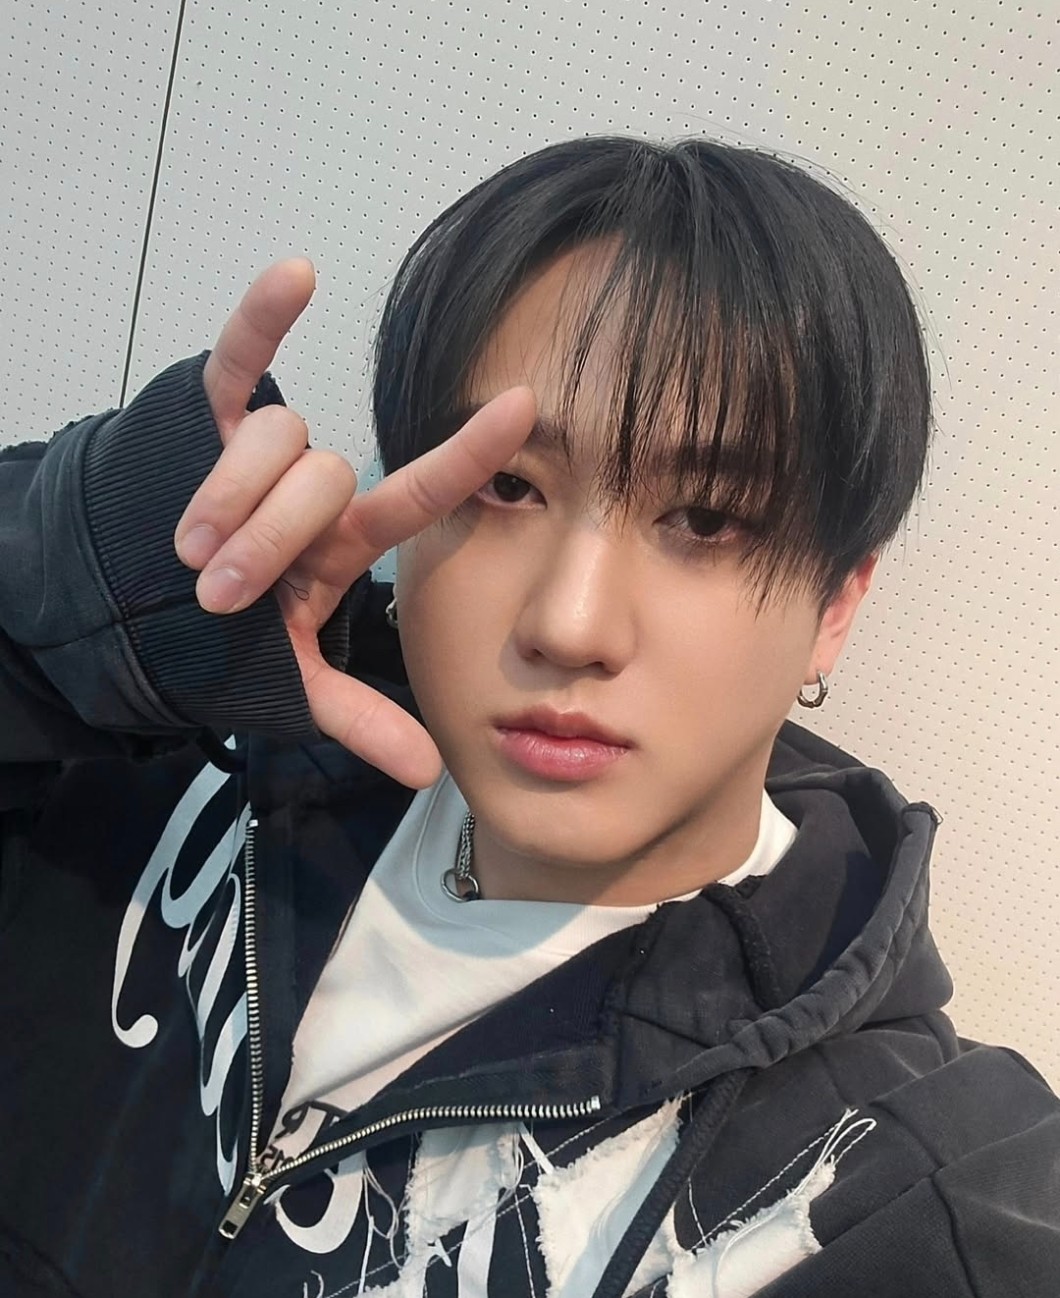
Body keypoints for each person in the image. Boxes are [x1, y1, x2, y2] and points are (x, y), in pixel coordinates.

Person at [0, 136, 1057, 1298]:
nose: (569, 622)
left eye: (706, 519)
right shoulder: (170, 745)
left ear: (835, 606)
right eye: (506, 486)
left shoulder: (886, 1175)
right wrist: (53, 604)